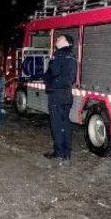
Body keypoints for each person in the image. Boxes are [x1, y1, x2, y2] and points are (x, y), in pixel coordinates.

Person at [43, 34, 77, 162]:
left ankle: (59, 153)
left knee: (57, 125)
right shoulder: (72, 57)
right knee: (65, 124)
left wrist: (46, 77)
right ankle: (66, 152)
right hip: (67, 95)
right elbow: (71, 78)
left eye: (60, 38)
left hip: (56, 94)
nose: (56, 40)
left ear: (67, 42)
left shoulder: (58, 55)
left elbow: (52, 73)